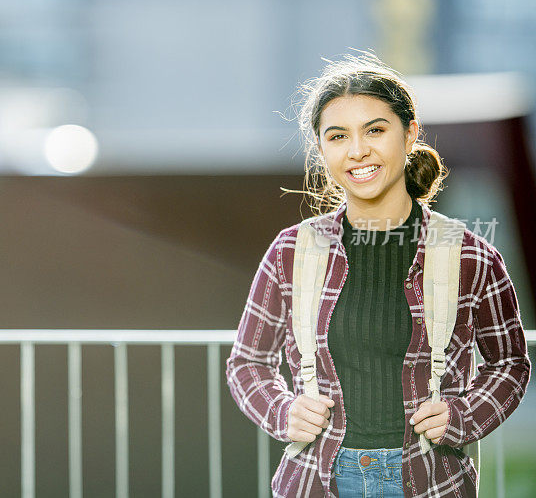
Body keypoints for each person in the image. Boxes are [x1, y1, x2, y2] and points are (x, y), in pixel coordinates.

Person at [225, 51, 531, 497]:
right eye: (337, 136)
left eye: (375, 130)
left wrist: (463, 416)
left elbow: (509, 363)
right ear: (322, 150)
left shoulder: (470, 255)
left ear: (409, 135)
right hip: (316, 481)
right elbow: (247, 363)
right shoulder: (291, 251)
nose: (357, 150)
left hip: (432, 481)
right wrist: (282, 410)